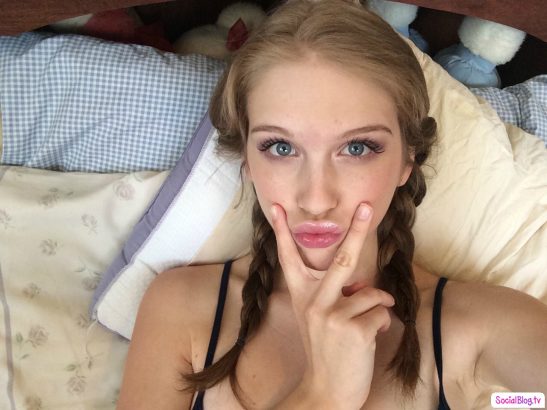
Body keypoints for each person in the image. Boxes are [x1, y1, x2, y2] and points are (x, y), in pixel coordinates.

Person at [116, 0, 547, 408]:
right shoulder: (181, 307)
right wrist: (322, 394)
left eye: (357, 148)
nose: (316, 199)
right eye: (281, 148)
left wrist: (516, 403)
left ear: (407, 161)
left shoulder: (483, 324)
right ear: (246, 161)